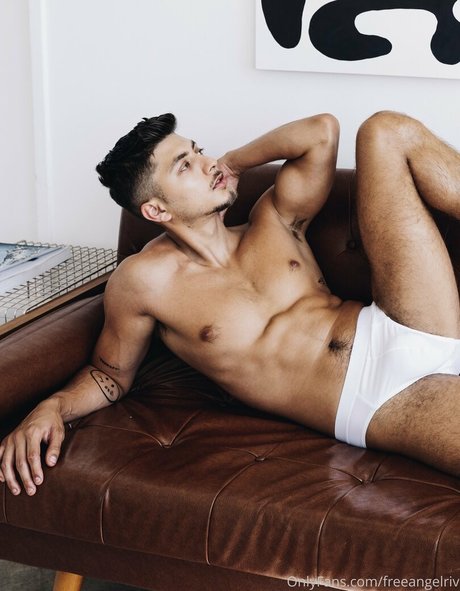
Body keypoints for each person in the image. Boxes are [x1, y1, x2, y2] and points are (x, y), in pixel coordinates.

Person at [1, 111, 459, 497]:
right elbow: (109, 376)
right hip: (373, 399)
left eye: (198, 150)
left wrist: (233, 161)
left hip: (404, 321)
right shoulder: (143, 282)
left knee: (384, 130)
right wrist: (53, 406)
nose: (207, 164)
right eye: (185, 166)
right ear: (157, 210)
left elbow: (321, 131)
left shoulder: (274, 219)